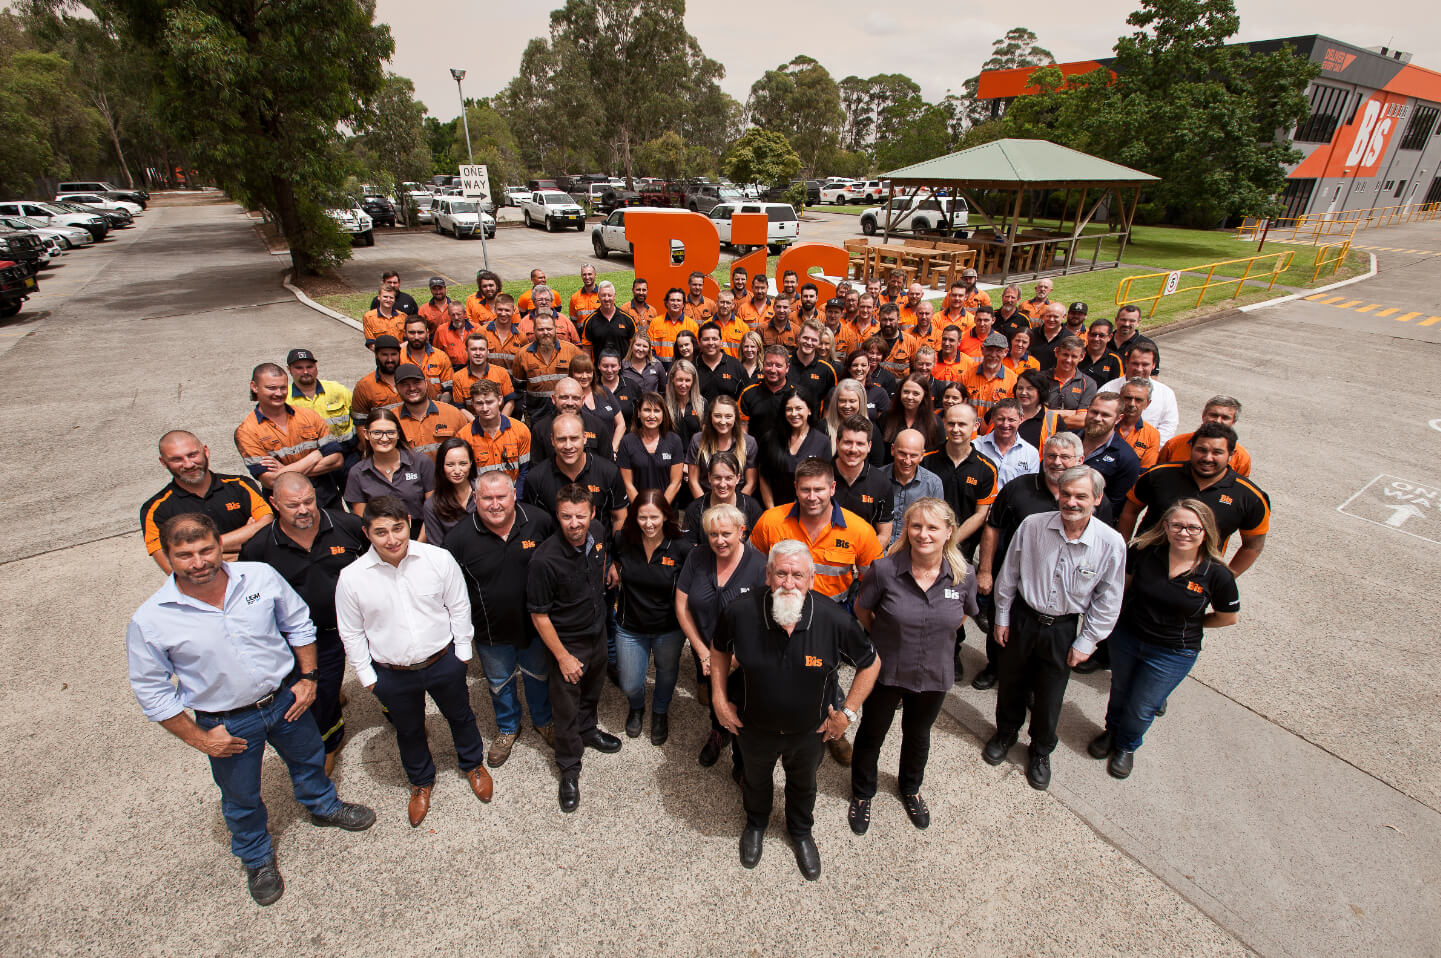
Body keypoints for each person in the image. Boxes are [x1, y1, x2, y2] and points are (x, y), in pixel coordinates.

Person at [127, 514, 376, 905]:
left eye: (206, 550)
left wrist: (309, 678)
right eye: (185, 555)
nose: (198, 562)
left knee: (309, 759)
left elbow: (298, 623)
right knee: (241, 795)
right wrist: (201, 739)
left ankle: (323, 806)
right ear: (169, 557)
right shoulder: (152, 619)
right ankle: (256, 856)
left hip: (284, 699)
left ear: (219, 545)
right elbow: (152, 691)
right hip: (227, 721)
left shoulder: (258, 577)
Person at [712, 540, 880, 880]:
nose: (788, 583)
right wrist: (718, 697)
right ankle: (756, 823)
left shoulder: (833, 619)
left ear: (812, 579)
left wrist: (847, 713)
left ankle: (801, 831)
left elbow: (871, 662)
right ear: (768, 575)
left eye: (797, 575)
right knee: (755, 781)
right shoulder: (740, 612)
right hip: (753, 727)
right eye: (781, 574)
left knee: (803, 785)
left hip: (810, 732)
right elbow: (718, 649)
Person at [335, 496, 490, 826]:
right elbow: (351, 631)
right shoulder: (351, 578)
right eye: (381, 532)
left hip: (443, 661)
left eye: (397, 528)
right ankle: (421, 781)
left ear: (408, 523)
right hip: (392, 673)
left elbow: (459, 606)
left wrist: (462, 653)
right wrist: (367, 676)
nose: (392, 539)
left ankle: (473, 764)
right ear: (366, 533)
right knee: (408, 730)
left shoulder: (438, 559)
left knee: (461, 716)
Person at [983, 466, 1125, 790]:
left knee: (1050, 695)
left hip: (1062, 629)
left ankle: (1040, 750)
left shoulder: (1110, 543)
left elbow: (1109, 598)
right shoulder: (1033, 525)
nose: (1071, 502)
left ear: (1097, 499)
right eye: (1066, 494)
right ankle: (1005, 733)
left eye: (1081, 496)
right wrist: (1002, 616)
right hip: (1022, 618)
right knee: (1011, 684)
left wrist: (1087, 641)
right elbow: (1010, 574)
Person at [851, 498, 978, 832]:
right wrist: (886, 636)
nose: (923, 534)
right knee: (872, 733)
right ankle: (863, 792)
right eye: (916, 526)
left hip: (933, 672)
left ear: (949, 532)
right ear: (906, 529)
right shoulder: (884, 570)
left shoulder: (963, 576)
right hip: (886, 670)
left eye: (933, 527)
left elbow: (961, 616)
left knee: (918, 735)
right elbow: (863, 610)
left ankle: (910, 787)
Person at [1089, 499, 1239, 778]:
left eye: (1193, 528)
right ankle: (1112, 731)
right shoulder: (1144, 552)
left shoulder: (1217, 574)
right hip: (1128, 638)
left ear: (1206, 531)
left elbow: (1227, 617)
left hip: (1172, 652)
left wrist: (1193, 624)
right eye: (1177, 525)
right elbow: (1123, 589)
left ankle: (1126, 745)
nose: (1184, 533)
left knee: (1142, 705)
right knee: (1120, 690)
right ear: (1166, 527)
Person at [239, 474, 367, 776]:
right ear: (274, 503)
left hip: (363, 625)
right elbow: (249, 599)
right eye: (292, 505)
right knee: (320, 694)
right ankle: (331, 742)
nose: (303, 509)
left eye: (309, 501)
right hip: (313, 638)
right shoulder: (258, 548)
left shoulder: (348, 526)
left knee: (388, 678)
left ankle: (397, 716)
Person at [972, 433, 1106, 691]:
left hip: (1059, 591)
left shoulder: (1090, 498)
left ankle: (1032, 685)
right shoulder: (1018, 488)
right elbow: (993, 527)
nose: (1057, 462)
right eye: (1051, 455)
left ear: (1080, 460)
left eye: (1065, 457)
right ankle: (994, 668)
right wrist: (985, 570)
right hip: (1012, 578)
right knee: (1000, 627)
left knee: (1043, 646)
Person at [443, 471, 557, 768]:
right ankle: (508, 727)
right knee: (498, 682)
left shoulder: (539, 521)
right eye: (487, 498)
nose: (495, 505)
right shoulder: (458, 539)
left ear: (514, 495)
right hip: (489, 630)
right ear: (475, 498)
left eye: (501, 497)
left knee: (538, 676)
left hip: (535, 627)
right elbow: (449, 591)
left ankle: (543, 720)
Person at [529, 484, 622, 812]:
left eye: (580, 516)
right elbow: (539, 616)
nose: (574, 523)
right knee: (566, 710)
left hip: (597, 634)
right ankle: (569, 768)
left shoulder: (598, 533)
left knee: (592, 693)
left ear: (592, 513)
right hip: (568, 644)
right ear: (558, 515)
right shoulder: (544, 560)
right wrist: (563, 657)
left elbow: (600, 565)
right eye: (567, 516)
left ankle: (588, 730)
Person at [676, 503, 767, 769]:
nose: (719, 540)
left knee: (744, 706)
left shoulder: (760, 566)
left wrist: (734, 660)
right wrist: (702, 652)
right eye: (713, 534)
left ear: (741, 531)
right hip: (705, 649)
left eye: (726, 533)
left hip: (745, 656)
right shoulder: (697, 557)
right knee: (717, 697)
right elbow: (682, 606)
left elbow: (765, 622)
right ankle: (718, 732)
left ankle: (743, 760)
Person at [1119, 423, 1270, 576]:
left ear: (1231, 454)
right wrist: (1122, 554)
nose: (1207, 458)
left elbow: (1253, 546)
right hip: (1139, 571)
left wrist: (1226, 579)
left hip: (1196, 582)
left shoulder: (1250, 497)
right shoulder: (1158, 475)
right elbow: (1130, 512)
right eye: (1201, 450)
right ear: (1191, 447)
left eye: (1217, 452)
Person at [749, 456, 883, 624]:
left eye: (819, 489)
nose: (812, 497)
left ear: (832, 488)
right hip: (780, 614)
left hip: (832, 618)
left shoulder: (859, 530)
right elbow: (750, 568)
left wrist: (853, 612)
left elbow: (876, 581)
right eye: (805, 489)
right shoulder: (770, 522)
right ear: (796, 488)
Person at [614, 491, 694, 744]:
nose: (648, 524)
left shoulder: (681, 547)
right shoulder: (622, 540)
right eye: (642, 517)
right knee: (629, 682)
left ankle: (660, 711)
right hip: (630, 626)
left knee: (666, 672)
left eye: (654, 517)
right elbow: (612, 561)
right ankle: (636, 706)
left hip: (668, 628)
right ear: (634, 517)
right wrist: (611, 569)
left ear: (666, 516)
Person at [142, 430, 271, 573]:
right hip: (208, 585)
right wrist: (246, 544)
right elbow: (173, 570)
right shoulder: (155, 510)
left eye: (192, 455)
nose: (188, 464)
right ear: (163, 462)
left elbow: (268, 529)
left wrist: (194, 551)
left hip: (257, 576)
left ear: (205, 451)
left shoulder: (240, 485)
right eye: (177, 459)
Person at [236, 363, 345, 507]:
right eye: (271, 388)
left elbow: (337, 460)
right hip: (286, 508)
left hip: (327, 499)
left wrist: (283, 471)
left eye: (283, 387)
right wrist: (316, 456)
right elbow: (270, 481)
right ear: (254, 387)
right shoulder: (246, 432)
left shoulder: (309, 416)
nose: (279, 393)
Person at [524, 413, 630, 535]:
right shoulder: (535, 479)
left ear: (584, 438)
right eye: (561, 439)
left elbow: (619, 517)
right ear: (552, 440)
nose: (568, 446)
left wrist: (612, 545)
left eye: (574, 438)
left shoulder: (608, 472)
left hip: (600, 545)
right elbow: (533, 525)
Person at [343, 407, 434, 535]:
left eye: (390, 432)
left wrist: (419, 543)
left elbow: (433, 511)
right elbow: (363, 521)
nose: (384, 438)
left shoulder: (421, 462)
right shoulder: (357, 473)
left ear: (398, 434)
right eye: (377, 433)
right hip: (381, 537)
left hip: (422, 534)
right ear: (366, 434)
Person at [284, 348, 358, 468]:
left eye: (309, 367)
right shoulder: (284, 399)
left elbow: (360, 418)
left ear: (316, 366)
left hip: (349, 456)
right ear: (289, 369)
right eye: (299, 368)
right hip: (310, 462)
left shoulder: (337, 390)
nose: (305, 371)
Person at [757, 393, 832, 508]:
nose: (794, 413)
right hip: (776, 509)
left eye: (798, 408)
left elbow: (826, 481)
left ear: (809, 410)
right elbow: (764, 477)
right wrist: (771, 510)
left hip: (810, 509)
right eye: (789, 409)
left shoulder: (822, 442)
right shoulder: (770, 439)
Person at [832, 414, 895, 542]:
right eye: (848, 442)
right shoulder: (820, 475)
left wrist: (866, 555)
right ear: (837, 443)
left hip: (864, 552)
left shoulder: (881, 483)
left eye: (860, 444)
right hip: (823, 552)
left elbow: (884, 534)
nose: (853, 449)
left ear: (869, 446)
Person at [1079, 392, 1142, 520]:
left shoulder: (1127, 459)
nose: (1097, 418)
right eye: (1094, 412)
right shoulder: (1067, 441)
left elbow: (1113, 507)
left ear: (1118, 419)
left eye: (1105, 415)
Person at [1098, 342, 1177, 442]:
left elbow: (1168, 427)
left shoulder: (1166, 394)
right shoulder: (1107, 390)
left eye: (1145, 364)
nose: (1139, 369)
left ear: (1153, 365)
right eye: (1135, 363)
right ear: (1126, 362)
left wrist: (1149, 447)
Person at [681, 450, 764, 544]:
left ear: (737, 478)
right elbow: (688, 547)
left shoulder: (752, 507)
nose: (722, 484)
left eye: (728, 478)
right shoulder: (694, 509)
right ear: (709, 477)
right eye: (717, 478)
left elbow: (760, 546)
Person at [463, 379, 532, 492]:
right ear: (473, 403)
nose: (485, 408)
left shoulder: (520, 430)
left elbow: (525, 470)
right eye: (479, 403)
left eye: (490, 402)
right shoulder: (464, 436)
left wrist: (517, 498)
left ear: (500, 400)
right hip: (481, 497)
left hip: (514, 494)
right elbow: (466, 476)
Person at [513, 311, 582, 422]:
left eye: (549, 329)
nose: (545, 332)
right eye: (541, 329)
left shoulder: (571, 351)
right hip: (536, 416)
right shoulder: (522, 355)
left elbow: (585, 380)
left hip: (568, 414)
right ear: (534, 330)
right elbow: (519, 389)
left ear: (555, 329)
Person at [1158, 395, 1253, 475]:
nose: (1218, 421)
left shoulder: (1241, 458)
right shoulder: (1175, 444)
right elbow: (1158, 475)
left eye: (1225, 418)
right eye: (1214, 415)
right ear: (1203, 415)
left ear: (1233, 422)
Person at [618, 392, 685, 502]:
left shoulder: (674, 441)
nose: (652, 415)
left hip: (666, 508)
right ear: (639, 413)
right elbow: (627, 484)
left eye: (657, 411)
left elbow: (675, 483)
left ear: (663, 415)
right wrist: (642, 509)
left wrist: (660, 508)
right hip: (637, 508)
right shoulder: (627, 442)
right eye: (647, 410)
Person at [688, 395, 758, 499]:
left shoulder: (749, 442)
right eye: (717, 416)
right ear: (710, 416)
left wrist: (735, 506)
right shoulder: (698, 440)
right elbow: (693, 481)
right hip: (705, 500)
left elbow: (750, 483)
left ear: (735, 418)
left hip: (737, 502)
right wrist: (705, 505)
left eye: (728, 416)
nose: (723, 421)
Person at [394, 363, 469, 459]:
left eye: (416, 382)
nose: (412, 388)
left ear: (426, 383)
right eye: (405, 384)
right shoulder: (391, 420)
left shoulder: (453, 414)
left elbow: (467, 451)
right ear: (397, 388)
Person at [886, 429, 944, 548]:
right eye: (902, 454)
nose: (907, 461)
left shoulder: (933, 484)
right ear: (892, 450)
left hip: (915, 550)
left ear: (922, 455)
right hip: (878, 549)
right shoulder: (877, 478)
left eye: (913, 456)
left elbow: (935, 526)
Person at [421, 437, 476, 544]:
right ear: (441, 466)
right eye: (450, 465)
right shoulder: (432, 505)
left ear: (471, 463)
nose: (457, 471)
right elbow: (437, 547)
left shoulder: (485, 492)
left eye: (463, 464)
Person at [973, 399, 1040, 485]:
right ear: (992, 418)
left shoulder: (1031, 453)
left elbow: (1030, 488)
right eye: (1000, 419)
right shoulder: (975, 447)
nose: (1005, 424)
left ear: (1021, 419)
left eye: (1011, 420)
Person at [569, 354, 626, 454]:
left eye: (588, 372)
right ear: (572, 374)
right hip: (582, 455)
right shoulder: (569, 399)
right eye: (579, 372)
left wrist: (612, 450)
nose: (584, 376)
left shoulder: (604, 392)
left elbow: (621, 424)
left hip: (610, 453)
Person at [451, 331, 515, 418]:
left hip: (498, 419)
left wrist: (500, 422)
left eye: (482, 349)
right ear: (466, 351)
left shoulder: (501, 373)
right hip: (472, 421)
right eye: (473, 349)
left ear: (487, 351)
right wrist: (476, 423)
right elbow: (460, 407)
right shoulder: (458, 377)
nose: (478, 353)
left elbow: (510, 402)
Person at [349, 335, 403, 435]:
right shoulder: (364, 386)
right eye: (384, 355)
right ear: (376, 355)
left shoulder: (413, 379)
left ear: (399, 354)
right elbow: (360, 424)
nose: (390, 359)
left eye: (394, 354)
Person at [959, 332, 1019, 421]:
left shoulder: (1013, 380)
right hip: (969, 426)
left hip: (996, 428)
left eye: (998, 351)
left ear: (1005, 352)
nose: (993, 355)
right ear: (982, 349)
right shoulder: (966, 376)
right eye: (990, 350)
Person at [879, 375, 943, 457]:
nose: (909, 397)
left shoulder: (936, 422)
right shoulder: (886, 417)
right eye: (906, 392)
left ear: (924, 395)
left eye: (916, 394)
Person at [1043, 336, 1097, 429]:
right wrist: (1071, 413)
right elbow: (1032, 414)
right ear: (1056, 352)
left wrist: (1048, 416)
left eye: (1074, 356)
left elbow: (1082, 420)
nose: (1068, 360)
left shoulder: (1088, 384)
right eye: (1065, 354)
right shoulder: (1040, 378)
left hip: (1071, 436)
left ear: (1082, 357)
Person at [401, 314, 454, 403]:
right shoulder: (398, 357)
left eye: (420, 332)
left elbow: (448, 389)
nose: (416, 337)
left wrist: (440, 406)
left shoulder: (441, 356)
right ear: (405, 333)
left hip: (436, 404)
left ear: (427, 333)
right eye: (412, 333)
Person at [786, 320, 838, 406]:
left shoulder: (827, 370)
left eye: (814, 340)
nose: (809, 342)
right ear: (798, 337)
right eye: (806, 338)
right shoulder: (784, 362)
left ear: (819, 342)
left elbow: (831, 403)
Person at [580, 280, 635, 361]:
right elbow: (586, 351)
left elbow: (634, 347)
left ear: (614, 296)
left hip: (623, 368)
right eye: (603, 295)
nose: (606, 298)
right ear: (598, 296)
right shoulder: (590, 321)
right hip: (599, 368)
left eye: (609, 295)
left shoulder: (627, 319)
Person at [695, 321, 748, 401]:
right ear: (699, 343)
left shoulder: (735, 366)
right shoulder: (692, 367)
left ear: (721, 342)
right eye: (706, 339)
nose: (710, 343)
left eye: (714, 339)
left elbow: (747, 397)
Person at [1116, 378, 1161, 469]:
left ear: (1147, 404)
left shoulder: (1152, 435)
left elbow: (1145, 472)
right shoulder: (1105, 422)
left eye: (1138, 400)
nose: (1132, 404)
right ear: (1119, 398)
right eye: (1128, 398)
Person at [1013, 368, 1063, 450]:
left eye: (1030, 388)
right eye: (1020, 388)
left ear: (1040, 391)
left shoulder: (1054, 421)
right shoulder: (1003, 411)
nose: (1023, 392)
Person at [650, 287, 699, 366]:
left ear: (683, 304)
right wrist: (659, 367)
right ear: (666, 303)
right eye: (672, 300)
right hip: (659, 367)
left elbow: (696, 350)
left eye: (679, 300)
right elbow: (650, 348)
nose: (675, 303)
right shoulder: (655, 323)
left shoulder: (692, 325)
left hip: (685, 367)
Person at [482, 293, 529, 376]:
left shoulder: (521, 336)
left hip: (512, 382)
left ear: (514, 311)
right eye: (500, 309)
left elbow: (525, 363)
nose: (503, 314)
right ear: (494, 309)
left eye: (507, 310)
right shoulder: (482, 332)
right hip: (488, 380)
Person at [842, 350, 891, 423]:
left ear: (868, 368)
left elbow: (885, 424)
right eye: (855, 365)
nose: (859, 369)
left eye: (863, 365)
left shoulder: (880, 393)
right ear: (849, 368)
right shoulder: (837, 392)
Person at [1110, 304, 1158, 370]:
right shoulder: (1103, 340)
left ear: (1138, 322)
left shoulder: (1148, 345)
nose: (1126, 324)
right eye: (1123, 320)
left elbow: (1153, 374)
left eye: (1132, 321)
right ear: (1116, 320)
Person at [1079, 317, 1124, 388]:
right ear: (1088, 335)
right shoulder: (1077, 355)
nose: (1096, 339)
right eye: (1093, 334)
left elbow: (1119, 386)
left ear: (1109, 337)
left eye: (1101, 336)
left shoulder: (1114, 359)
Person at [1026, 302, 1066, 370]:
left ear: (1063, 317)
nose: (1051, 319)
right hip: (1031, 375)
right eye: (1049, 316)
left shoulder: (1068, 338)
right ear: (1044, 315)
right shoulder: (1031, 334)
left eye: (1055, 317)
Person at [713, 291, 751, 359]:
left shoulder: (743, 327)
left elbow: (748, 350)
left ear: (733, 305)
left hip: (736, 364)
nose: (725, 306)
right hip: (713, 364)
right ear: (717, 303)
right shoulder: (707, 324)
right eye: (722, 302)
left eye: (728, 303)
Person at [569, 264, 602, 333]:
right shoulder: (574, 298)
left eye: (590, 274)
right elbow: (573, 322)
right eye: (584, 274)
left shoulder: (603, 295)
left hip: (601, 336)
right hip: (582, 337)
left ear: (595, 275)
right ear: (581, 276)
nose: (587, 277)